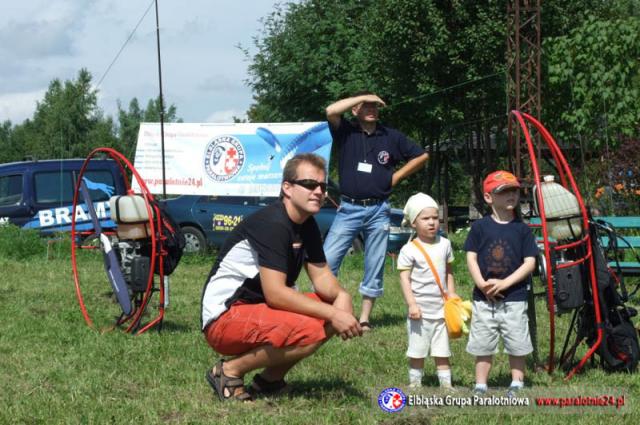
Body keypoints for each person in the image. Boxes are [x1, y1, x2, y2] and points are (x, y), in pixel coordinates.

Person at [201, 153, 362, 402]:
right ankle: (228, 371)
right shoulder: (274, 223)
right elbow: (275, 294)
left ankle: (269, 381)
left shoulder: (307, 224)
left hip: (257, 309)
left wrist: (342, 297)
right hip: (223, 318)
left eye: (322, 185)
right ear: (287, 188)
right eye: (309, 184)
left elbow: (322, 278)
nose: (318, 191)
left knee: (330, 307)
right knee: (311, 327)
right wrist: (333, 314)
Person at [323, 91, 429, 331]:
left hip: (378, 209)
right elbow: (331, 110)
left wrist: (397, 176)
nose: (372, 109)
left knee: (375, 263)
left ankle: (364, 319)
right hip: (348, 207)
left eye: (375, 106)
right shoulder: (346, 131)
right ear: (355, 110)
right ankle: (330, 311)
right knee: (327, 261)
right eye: (366, 106)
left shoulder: (390, 136)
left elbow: (422, 155)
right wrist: (365, 96)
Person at [463, 170, 538, 397]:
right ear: (488, 198)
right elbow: (471, 257)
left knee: (517, 342)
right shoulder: (479, 227)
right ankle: (481, 385)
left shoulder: (522, 230)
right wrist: (482, 284)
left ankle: (516, 383)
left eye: (513, 191)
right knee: (483, 343)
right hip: (483, 299)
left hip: (514, 298)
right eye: (503, 192)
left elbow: (529, 263)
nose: (511, 196)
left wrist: (504, 283)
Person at [397, 193, 457, 389]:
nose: (432, 223)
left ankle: (446, 386)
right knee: (417, 350)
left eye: (435, 218)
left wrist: (452, 294)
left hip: (441, 311)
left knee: (443, 351)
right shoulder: (409, 250)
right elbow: (404, 279)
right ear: (413, 223)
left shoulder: (445, 244)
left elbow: (449, 272)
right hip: (419, 312)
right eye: (425, 218)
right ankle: (415, 384)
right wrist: (412, 304)